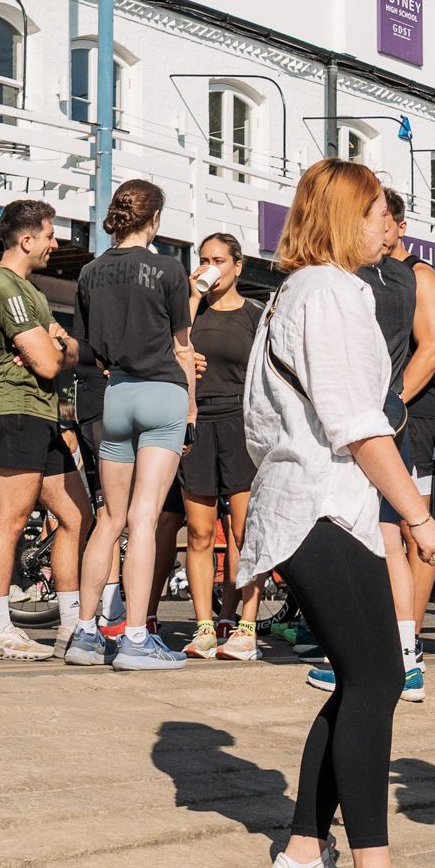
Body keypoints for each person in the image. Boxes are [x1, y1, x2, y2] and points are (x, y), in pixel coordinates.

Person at [245, 158, 435, 868]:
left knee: (365, 682)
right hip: (320, 506)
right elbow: (355, 421)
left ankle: (304, 855)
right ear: (339, 218)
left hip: (321, 507)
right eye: (376, 214)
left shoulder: (305, 293)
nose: (390, 228)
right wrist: (419, 515)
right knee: (375, 680)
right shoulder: (329, 292)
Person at [71, 180, 195, 670]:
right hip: (162, 391)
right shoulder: (168, 269)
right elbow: (182, 346)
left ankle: (83, 633)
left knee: (110, 519)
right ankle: (136, 638)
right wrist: (191, 412)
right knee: (145, 518)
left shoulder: (88, 273)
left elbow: (88, 348)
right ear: (155, 218)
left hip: (115, 395)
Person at [349, 192, 435, 702]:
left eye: (383, 218)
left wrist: (391, 403)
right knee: (384, 530)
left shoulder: (416, 275)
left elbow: (430, 350)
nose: (380, 228)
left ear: (397, 224)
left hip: (405, 414)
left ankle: (406, 647)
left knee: (406, 529)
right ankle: (393, 648)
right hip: (381, 413)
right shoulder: (368, 272)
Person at [0, 201, 71, 661]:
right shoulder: (6, 288)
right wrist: (53, 346)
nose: (56, 242)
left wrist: (56, 342)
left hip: (42, 414)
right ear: (27, 240)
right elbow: (51, 363)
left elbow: (60, 351)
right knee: (9, 519)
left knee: (77, 516)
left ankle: (74, 625)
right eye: (50, 234)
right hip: (16, 411)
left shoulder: (33, 292)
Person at [179, 232, 263, 661]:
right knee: (199, 532)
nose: (210, 267)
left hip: (242, 424)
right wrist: (191, 298)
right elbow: (175, 346)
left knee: (243, 531)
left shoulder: (254, 314)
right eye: (204, 259)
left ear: (238, 266)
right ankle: (205, 626)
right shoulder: (189, 310)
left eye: (218, 260)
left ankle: (245, 625)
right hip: (198, 423)